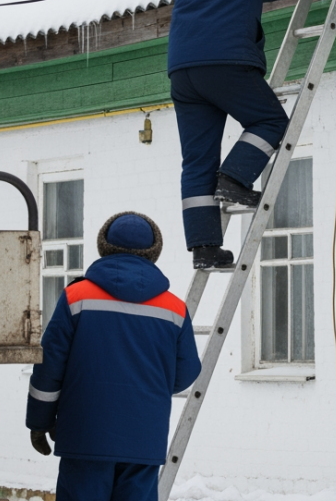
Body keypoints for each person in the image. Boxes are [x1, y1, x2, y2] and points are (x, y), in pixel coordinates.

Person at [169, 0, 336, 269]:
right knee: (269, 120)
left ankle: (204, 247)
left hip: (184, 73)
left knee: (197, 160)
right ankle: (233, 179)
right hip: (224, 61)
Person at [26, 212, 200, 500]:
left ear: (103, 247)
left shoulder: (76, 298)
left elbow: (49, 368)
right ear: (153, 252)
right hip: (144, 440)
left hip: (84, 435)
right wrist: (144, 391)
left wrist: (39, 421)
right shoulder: (175, 309)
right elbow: (186, 373)